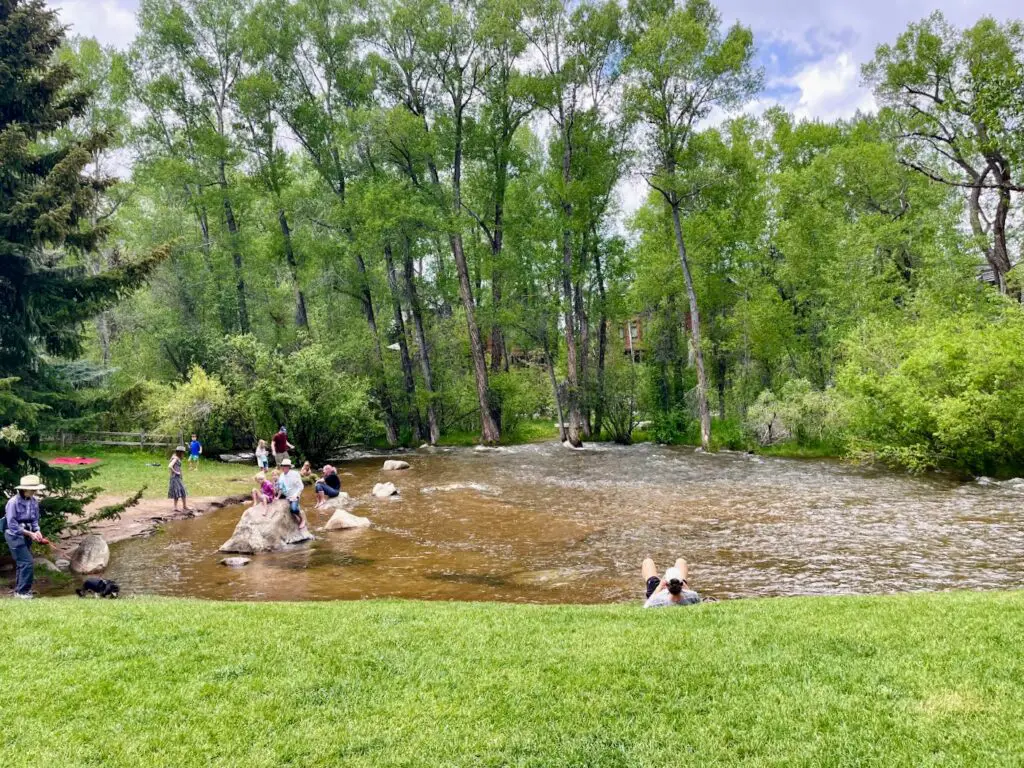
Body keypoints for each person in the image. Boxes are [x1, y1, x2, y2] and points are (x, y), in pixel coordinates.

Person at [4, 475, 48, 599]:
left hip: (28, 535)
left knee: (21, 564)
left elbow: (34, 519)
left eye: (35, 489)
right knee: (27, 563)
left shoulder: (33, 501)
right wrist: (29, 533)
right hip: (14, 535)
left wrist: (37, 531)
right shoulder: (13, 503)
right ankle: (22, 592)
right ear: (23, 489)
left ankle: (20, 590)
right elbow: (12, 525)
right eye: (32, 489)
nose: (35, 491)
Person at [278, 458, 306, 529]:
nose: (284, 467)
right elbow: (281, 487)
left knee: (293, 509)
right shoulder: (281, 475)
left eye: (286, 466)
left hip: (294, 495)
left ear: (289, 467)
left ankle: (302, 519)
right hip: (285, 494)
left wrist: (295, 496)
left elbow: (301, 486)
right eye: (283, 466)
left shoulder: (295, 474)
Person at [168, 446, 190, 513]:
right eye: (183, 453)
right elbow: (170, 466)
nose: (183, 454)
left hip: (177, 478)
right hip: (175, 478)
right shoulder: (176, 458)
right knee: (177, 491)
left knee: (182, 491)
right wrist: (176, 472)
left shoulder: (175, 457)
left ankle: (184, 506)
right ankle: (176, 507)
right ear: (180, 453)